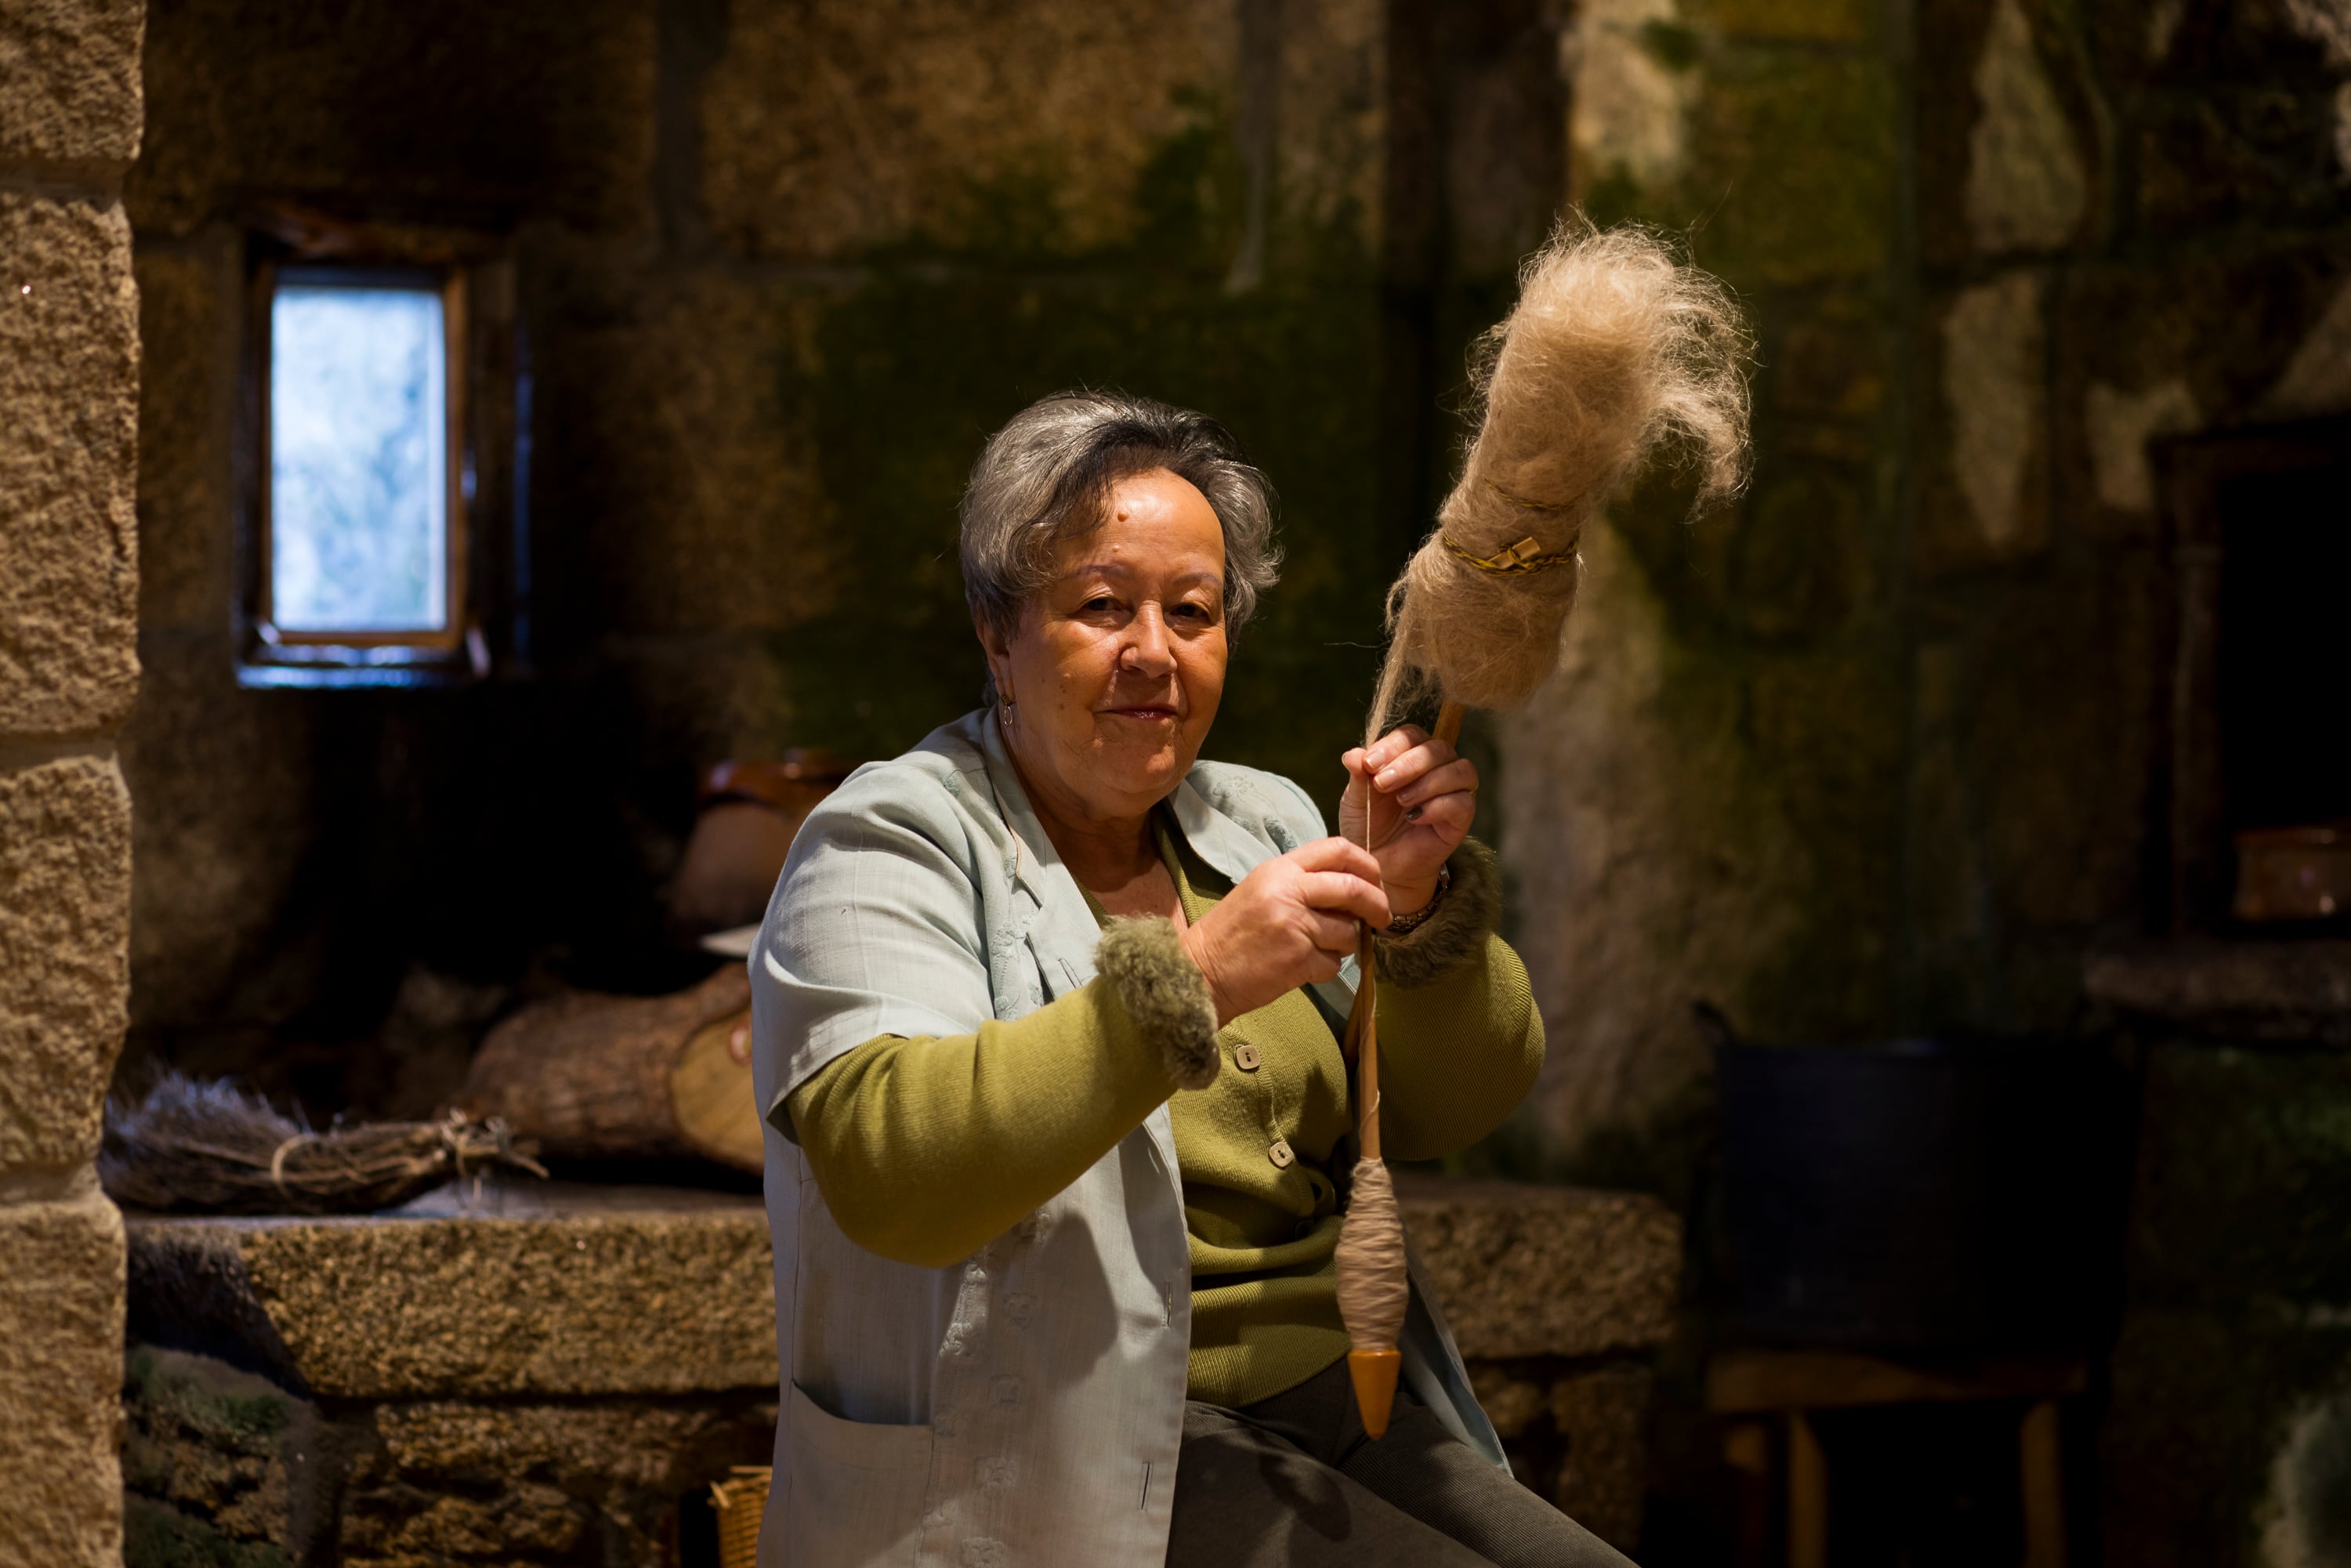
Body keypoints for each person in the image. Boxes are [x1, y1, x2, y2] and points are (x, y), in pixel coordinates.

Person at [748, 390, 1634, 1567]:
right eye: (1101, 606)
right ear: (997, 632)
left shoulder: (1260, 820)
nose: (1154, 653)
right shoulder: (887, 837)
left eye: (1194, 612)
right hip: (1069, 1435)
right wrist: (1201, 976)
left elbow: (1451, 1105)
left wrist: (1415, 906)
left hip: (1337, 1397)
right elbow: (889, 1171)